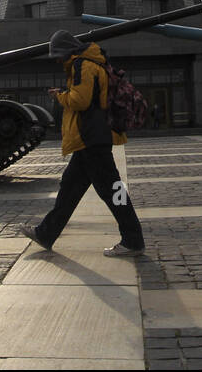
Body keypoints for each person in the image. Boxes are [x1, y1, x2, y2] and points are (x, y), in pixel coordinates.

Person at [20, 30, 145, 256]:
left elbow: (80, 100)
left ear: (68, 51)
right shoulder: (94, 63)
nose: (58, 60)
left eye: (59, 55)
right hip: (91, 139)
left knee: (112, 191)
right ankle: (45, 234)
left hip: (91, 139)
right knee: (70, 188)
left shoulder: (81, 65)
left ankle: (133, 241)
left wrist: (59, 96)